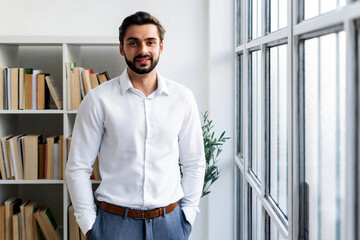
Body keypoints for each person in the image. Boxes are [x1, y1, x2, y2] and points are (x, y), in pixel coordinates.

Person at [65, 11, 205, 240]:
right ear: (122, 48)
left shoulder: (182, 98)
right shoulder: (98, 99)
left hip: (169, 225)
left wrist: (186, 217)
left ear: (161, 46)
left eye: (150, 42)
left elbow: (194, 162)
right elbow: (78, 167)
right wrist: (91, 227)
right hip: (113, 225)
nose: (143, 50)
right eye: (133, 43)